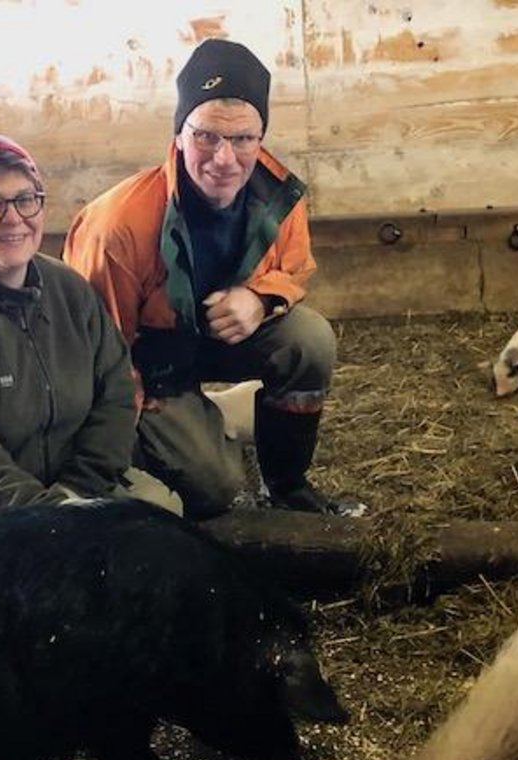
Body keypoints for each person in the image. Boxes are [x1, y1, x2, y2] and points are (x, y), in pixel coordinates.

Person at [63, 39, 360, 519]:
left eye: (243, 139)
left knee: (309, 339)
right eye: (206, 137)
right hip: (151, 367)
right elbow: (95, 347)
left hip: (213, 339)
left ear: (260, 137)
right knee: (218, 489)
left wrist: (261, 299)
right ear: (179, 134)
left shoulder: (279, 196)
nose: (225, 159)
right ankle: (169, 438)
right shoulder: (117, 227)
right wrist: (127, 403)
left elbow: (296, 268)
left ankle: (286, 484)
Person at [0, 134, 171, 517]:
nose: (13, 218)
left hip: (72, 493)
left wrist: (79, 489)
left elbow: (116, 393)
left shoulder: (70, 291)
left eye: (26, 199)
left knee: (164, 513)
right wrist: (43, 517)